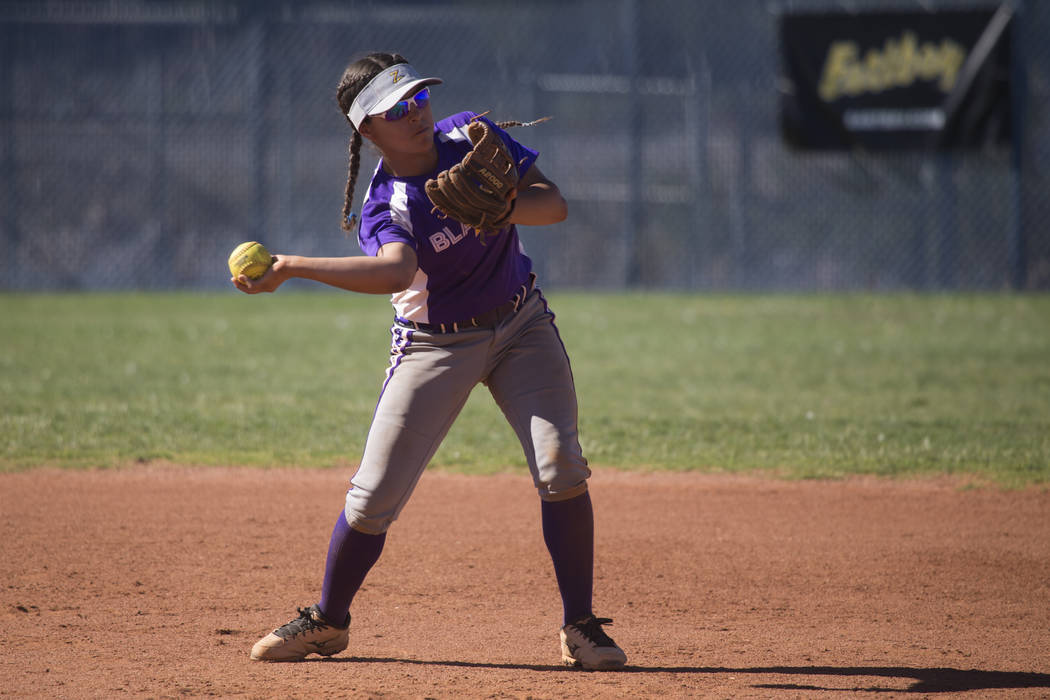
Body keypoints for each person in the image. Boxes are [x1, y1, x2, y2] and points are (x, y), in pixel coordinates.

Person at [233, 51, 626, 671]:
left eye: (419, 98)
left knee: (561, 466)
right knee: (372, 498)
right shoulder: (387, 203)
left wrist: (500, 207)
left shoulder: (471, 137)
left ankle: (580, 626)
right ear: (368, 130)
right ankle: (329, 622)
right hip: (435, 344)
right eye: (397, 110)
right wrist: (291, 267)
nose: (417, 114)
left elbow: (553, 206)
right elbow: (394, 270)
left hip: (521, 323)